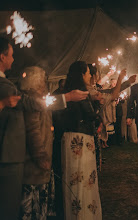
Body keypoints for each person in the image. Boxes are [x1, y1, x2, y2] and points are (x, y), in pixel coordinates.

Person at [0, 36, 88, 220]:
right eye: (11, 55)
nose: (14, 59)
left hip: (17, 160)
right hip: (12, 160)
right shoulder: (5, 86)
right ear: (2, 57)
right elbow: (32, 110)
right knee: (13, 209)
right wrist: (68, 97)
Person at [60, 61, 106, 219]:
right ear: (81, 74)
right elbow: (90, 116)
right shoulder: (80, 92)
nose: (89, 75)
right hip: (81, 140)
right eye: (87, 73)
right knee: (84, 179)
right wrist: (99, 107)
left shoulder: (67, 91)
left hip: (69, 139)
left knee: (73, 178)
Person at [18, 66, 55, 219]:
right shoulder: (32, 102)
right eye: (43, 80)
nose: (45, 84)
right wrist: (41, 157)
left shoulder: (36, 100)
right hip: (34, 169)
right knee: (34, 210)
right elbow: (33, 131)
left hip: (37, 167)